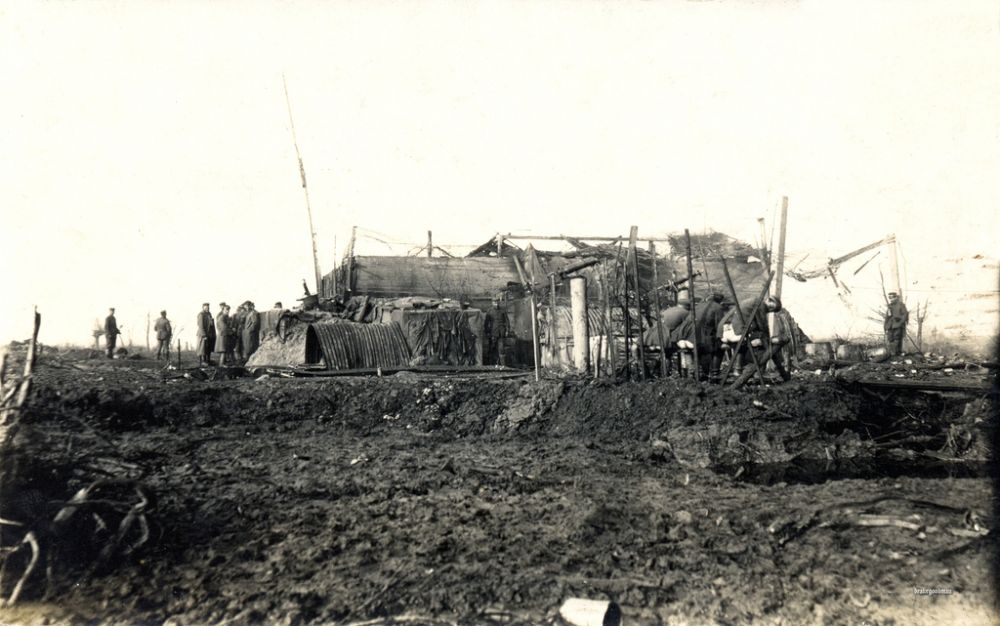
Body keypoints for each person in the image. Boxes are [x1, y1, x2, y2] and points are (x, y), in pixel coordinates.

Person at [724, 295, 791, 382]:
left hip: (739, 325)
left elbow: (757, 321)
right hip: (742, 327)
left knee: (746, 344)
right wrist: (768, 337)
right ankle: (759, 372)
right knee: (763, 344)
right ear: (770, 302)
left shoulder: (755, 301)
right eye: (772, 308)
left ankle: (738, 369)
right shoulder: (761, 304)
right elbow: (762, 323)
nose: (770, 311)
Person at [484, 297, 509, 365]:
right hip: (493, 332)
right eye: (495, 302)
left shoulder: (503, 310)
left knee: (501, 349)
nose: (496, 303)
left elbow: (507, 321)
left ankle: (503, 365)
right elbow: (486, 323)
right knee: (492, 349)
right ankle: (492, 365)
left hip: (501, 332)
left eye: (497, 302)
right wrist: (487, 332)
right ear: (492, 303)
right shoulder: (489, 311)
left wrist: (507, 330)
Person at [884, 292, 909, 356]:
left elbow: (905, 315)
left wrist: (900, 321)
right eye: (890, 298)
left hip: (897, 325)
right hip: (890, 326)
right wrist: (885, 326)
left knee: (897, 338)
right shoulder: (890, 306)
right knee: (890, 339)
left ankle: (896, 353)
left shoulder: (901, 305)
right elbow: (887, 317)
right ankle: (891, 353)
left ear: (896, 297)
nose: (891, 299)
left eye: (892, 297)